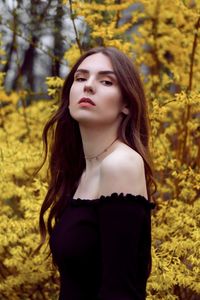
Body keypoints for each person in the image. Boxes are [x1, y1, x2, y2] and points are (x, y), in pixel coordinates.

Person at [38, 47, 156, 300]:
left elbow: (120, 292)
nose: (88, 87)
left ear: (126, 104)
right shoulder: (80, 170)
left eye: (105, 81)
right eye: (80, 78)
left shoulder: (120, 164)